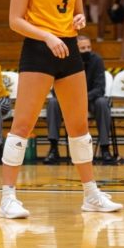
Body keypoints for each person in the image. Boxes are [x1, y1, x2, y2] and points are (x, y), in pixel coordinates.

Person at [1, 0, 123, 219]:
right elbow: (15, 21)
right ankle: (7, 199)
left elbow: (78, 14)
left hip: (68, 49)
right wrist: (47, 35)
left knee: (79, 126)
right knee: (23, 126)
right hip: (39, 50)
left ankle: (90, 194)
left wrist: (79, 21)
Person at [44, 35, 113, 165]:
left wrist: (83, 98)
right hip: (70, 100)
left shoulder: (97, 60)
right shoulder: (64, 60)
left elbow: (100, 88)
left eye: (88, 47)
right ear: (75, 49)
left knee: (103, 102)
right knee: (53, 103)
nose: (86, 50)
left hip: (90, 99)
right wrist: (72, 98)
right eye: (82, 48)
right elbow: (55, 89)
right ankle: (53, 148)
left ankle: (105, 148)